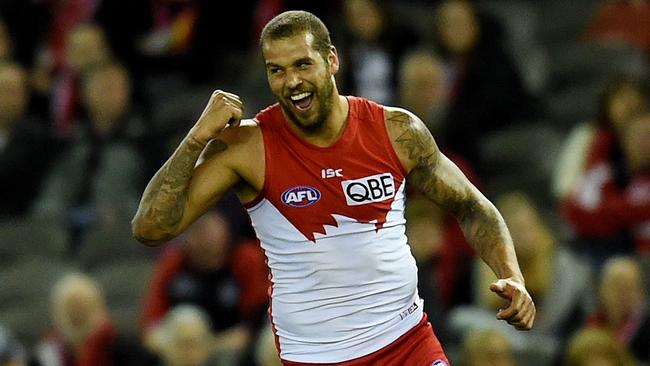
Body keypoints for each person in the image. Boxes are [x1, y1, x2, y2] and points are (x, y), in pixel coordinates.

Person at [132, 10, 535, 365]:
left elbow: (472, 206)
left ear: (332, 60)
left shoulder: (395, 130)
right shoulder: (248, 148)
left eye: (302, 65)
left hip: (409, 343)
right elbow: (150, 228)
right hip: (318, 358)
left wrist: (511, 275)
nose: (292, 81)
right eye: (277, 70)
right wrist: (196, 139)